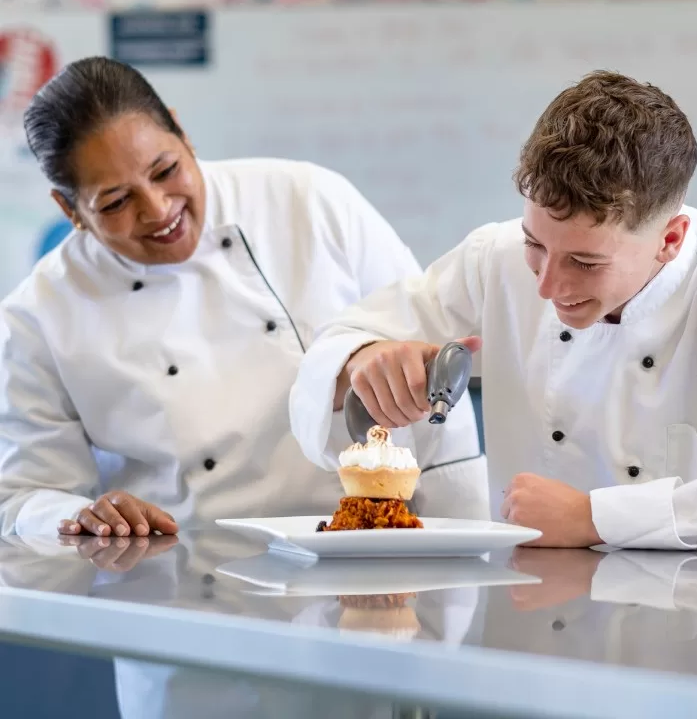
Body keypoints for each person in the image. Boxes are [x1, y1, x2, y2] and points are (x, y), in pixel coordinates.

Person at [290, 70, 697, 551]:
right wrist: (364, 359)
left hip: (685, 616)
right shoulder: (494, 258)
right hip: (520, 605)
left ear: (669, 240)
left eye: (584, 261)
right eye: (535, 244)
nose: (548, 287)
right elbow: (337, 346)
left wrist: (597, 518)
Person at [0, 56, 488, 536]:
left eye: (166, 170)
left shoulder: (308, 201)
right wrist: (82, 514)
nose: (158, 209)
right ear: (69, 209)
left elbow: (433, 373)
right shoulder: (38, 315)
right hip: (185, 575)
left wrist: (461, 548)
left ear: (183, 134)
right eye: (116, 202)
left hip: (369, 547)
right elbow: (26, 493)